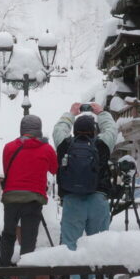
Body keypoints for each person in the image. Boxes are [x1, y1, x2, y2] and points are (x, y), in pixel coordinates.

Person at [53, 103, 119, 251]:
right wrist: (101, 112)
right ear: (94, 130)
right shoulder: (102, 144)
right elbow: (111, 128)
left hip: (72, 198)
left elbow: (59, 129)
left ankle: (71, 267)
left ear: (74, 130)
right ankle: (97, 267)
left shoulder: (64, 144)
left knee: (69, 245)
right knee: (99, 246)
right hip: (98, 197)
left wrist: (71, 113)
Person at [0, 114, 58, 266]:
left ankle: (2, 270)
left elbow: (6, 169)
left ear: (21, 128)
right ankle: (25, 274)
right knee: (28, 239)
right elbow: (54, 169)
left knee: (8, 234)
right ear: (39, 129)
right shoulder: (47, 149)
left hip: (11, 196)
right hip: (33, 198)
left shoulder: (9, 147)